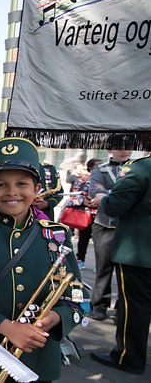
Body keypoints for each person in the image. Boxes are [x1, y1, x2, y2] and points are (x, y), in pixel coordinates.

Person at [0, 137, 88, 382]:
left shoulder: (56, 235)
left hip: (39, 356)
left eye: (22, 183)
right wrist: (6, 327)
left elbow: (76, 296)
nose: (12, 192)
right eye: (0, 185)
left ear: (36, 190)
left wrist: (55, 318)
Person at [90, 153, 150, 376]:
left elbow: (115, 206)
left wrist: (103, 199)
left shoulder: (141, 168)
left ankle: (128, 357)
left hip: (139, 252)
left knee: (134, 307)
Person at [88, 148, 133, 321]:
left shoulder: (136, 169)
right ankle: (99, 304)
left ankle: (124, 308)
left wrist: (107, 194)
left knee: (127, 269)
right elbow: (94, 192)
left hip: (128, 226)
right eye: (120, 148)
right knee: (103, 267)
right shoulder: (100, 170)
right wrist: (121, 195)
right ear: (110, 150)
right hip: (104, 225)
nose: (125, 152)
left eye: (128, 148)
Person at [64, 158, 102, 269]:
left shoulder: (105, 180)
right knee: (84, 238)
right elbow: (72, 197)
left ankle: (100, 265)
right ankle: (80, 259)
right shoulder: (82, 180)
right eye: (97, 165)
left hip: (101, 215)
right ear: (90, 167)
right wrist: (84, 201)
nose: (99, 167)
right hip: (86, 215)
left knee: (101, 242)